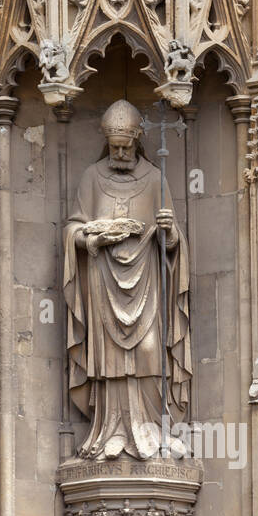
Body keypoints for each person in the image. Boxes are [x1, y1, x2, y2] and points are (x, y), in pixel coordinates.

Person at [64, 99, 191, 460]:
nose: (120, 153)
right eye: (115, 147)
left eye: (127, 146)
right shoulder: (92, 177)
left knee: (150, 351)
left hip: (146, 281)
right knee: (108, 360)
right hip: (103, 281)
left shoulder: (155, 178)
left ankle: (151, 429)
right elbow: (74, 226)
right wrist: (92, 237)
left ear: (138, 140)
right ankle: (108, 431)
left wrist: (169, 233)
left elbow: (173, 242)